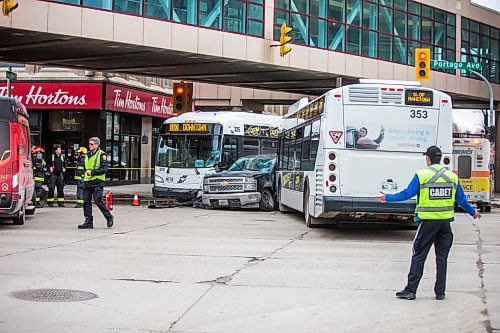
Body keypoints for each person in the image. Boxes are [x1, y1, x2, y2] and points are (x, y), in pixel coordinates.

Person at [375, 145, 481, 300]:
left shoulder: (422, 175)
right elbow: (462, 200)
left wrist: (388, 198)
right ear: (440, 158)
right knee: (442, 258)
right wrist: (473, 212)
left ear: (428, 159)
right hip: (445, 224)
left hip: (428, 223)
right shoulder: (452, 177)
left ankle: (410, 290)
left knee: (419, 255)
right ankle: (440, 292)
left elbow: (407, 193)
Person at [78, 137, 114, 229]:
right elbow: (84, 168)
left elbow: (104, 169)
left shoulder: (102, 154)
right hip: (87, 181)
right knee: (86, 202)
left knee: (98, 200)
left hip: (97, 181)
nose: (90, 145)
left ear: (97, 145)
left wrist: (93, 172)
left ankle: (109, 216)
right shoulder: (87, 155)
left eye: (92, 144)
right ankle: (88, 221)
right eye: (89, 144)